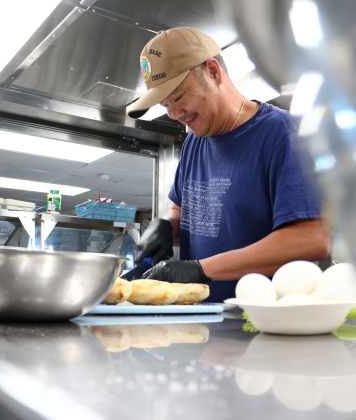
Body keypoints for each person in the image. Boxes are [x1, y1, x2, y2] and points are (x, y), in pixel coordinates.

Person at [126, 27, 329, 302]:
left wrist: (201, 269)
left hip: (263, 325)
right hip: (200, 323)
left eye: (178, 97)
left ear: (213, 71)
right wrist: (164, 226)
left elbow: (311, 239)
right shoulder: (194, 143)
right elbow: (180, 210)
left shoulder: (282, 135)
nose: (175, 114)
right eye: (165, 105)